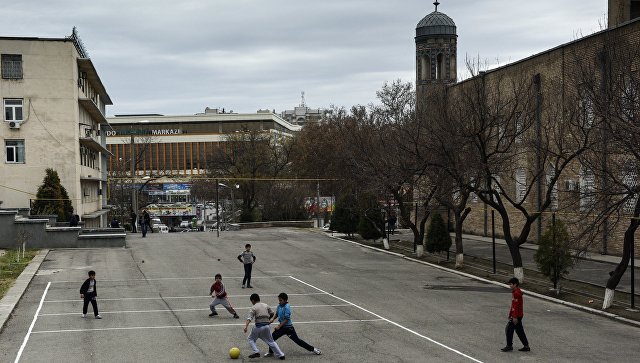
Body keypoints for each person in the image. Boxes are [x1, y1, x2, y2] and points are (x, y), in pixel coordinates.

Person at [265, 292, 321, 357]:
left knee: (298, 341)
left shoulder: (287, 307)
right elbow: (277, 314)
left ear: (285, 300)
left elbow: (286, 319)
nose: (279, 302)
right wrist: (272, 319)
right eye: (279, 300)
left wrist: (279, 326)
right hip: (282, 327)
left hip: (288, 328)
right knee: (272, 338)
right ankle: (271, 352)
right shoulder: (279, 306)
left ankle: (314, 349)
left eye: (281, 300)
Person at [243, 293, 285, 360]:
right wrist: (268, 319)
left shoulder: (253, 308)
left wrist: (246, 327)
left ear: (253, 300)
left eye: (251, 301)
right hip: (267, 326)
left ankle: (256, 351)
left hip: (258, 327)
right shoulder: (265, 305)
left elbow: (249, 318)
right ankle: (281, 355)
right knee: (271, 341)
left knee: (251, 339)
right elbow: (272, 313)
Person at [501, 277, 530, 352]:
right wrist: (510, 314)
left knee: (509, 329)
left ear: (515, 284)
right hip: (517, 315)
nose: (509, 286)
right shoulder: (515, 292)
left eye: (511, 284)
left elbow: (516, 306)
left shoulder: (516, 293)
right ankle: (526, 346)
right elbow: (513, 305)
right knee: (519, 330)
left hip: (517, 316)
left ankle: (509, 345)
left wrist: (514, 317)